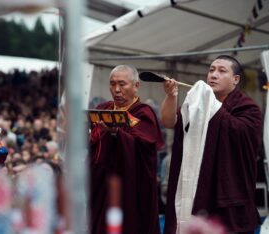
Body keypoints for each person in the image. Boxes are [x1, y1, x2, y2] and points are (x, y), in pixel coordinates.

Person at [161, 55, 263, 234]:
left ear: (235, 80)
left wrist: (213, 106)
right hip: (198, 188)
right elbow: (170, 121)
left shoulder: (248, 107)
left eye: (222, 71)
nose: (213, 75)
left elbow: (241, 135)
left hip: (228, 194)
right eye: (211, 70)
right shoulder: (199, 105)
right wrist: (172, 96)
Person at [88, 65, 164, 234]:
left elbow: (146, 145)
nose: (116, 90)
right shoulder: (103, 109)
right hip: (102, 183)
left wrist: (116, 132)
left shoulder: (143, 113)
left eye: (122, 84)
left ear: (136, 86)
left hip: (132, 184)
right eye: (112, 84)